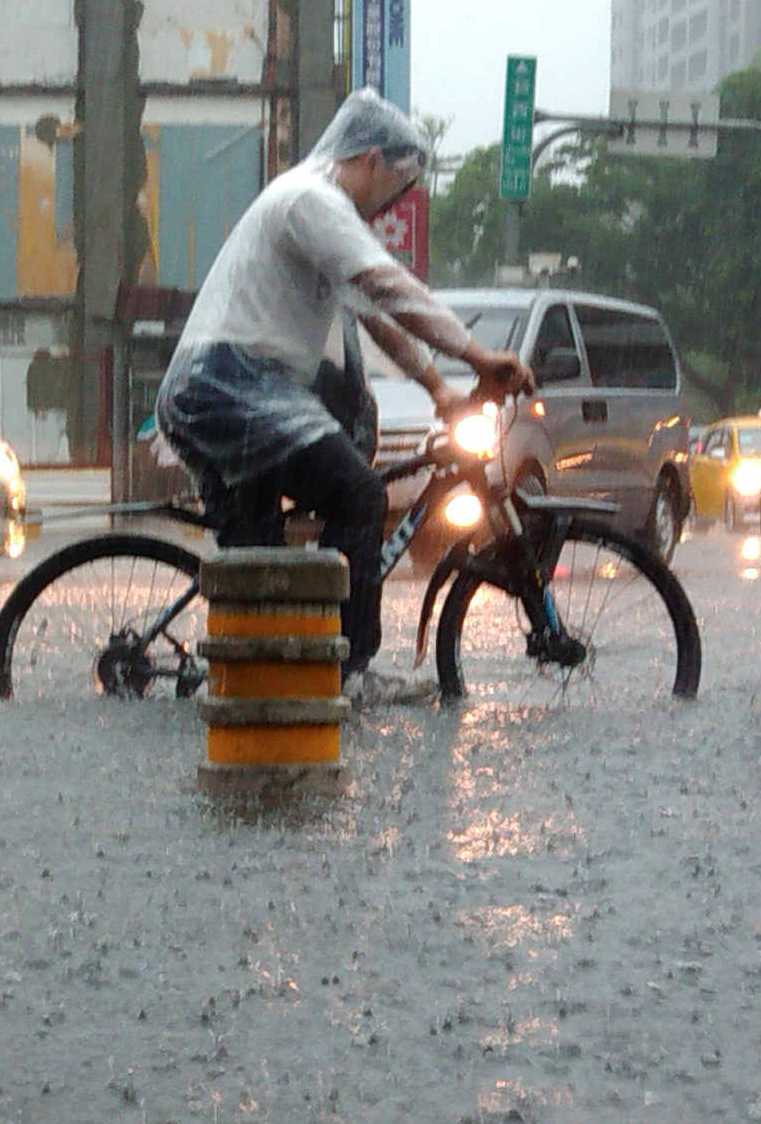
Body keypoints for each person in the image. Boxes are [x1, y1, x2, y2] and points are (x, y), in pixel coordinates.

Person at [156, 90, 531, 706]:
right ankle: (347, 670)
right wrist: (478, 356)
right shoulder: (311, 199)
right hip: (228, 385)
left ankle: (262, 681)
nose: (390, 202)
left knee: (257, 548)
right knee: (358, 493)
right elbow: (387, 285)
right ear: (369, 159)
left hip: (217, 390)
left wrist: (440, 389)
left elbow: (377, 318)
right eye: (394, 184)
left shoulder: (310, 208)